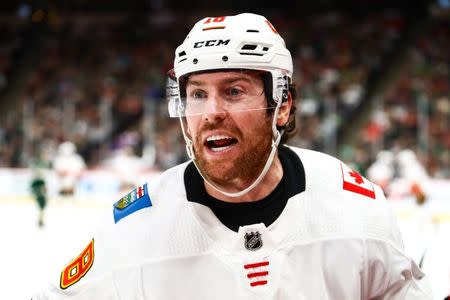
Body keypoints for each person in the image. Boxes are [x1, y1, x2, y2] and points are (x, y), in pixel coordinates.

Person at [32, 13, 433, 299]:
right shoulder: (132, 230)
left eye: (234, 91)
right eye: (197, 94)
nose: (211, 112)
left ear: (282, 105)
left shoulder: (354, 208)